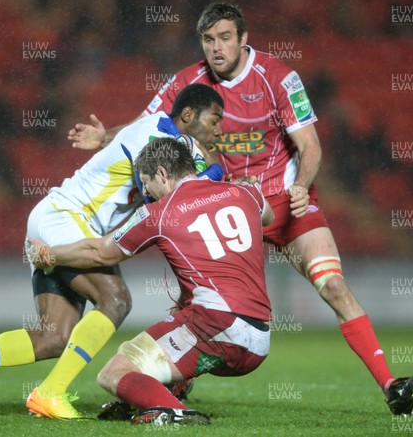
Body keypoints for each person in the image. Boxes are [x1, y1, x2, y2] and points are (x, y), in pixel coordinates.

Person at [68, 2, 413, 415]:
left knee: (332, 285)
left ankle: (391, 384)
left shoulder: (278, 78)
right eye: (208, 40)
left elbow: (310, 145)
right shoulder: (187, 81)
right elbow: (146, 124)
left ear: (243, 39)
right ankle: (171, 389)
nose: (216, 48)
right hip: (221, 202)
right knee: (196, 304)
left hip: (284, 201)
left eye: (225, 38)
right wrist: (105, 137)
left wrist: (301, 186)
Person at [0, 84, 224, 419]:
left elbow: (200, 180)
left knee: (54, 336)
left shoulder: (168, 139)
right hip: (67, 218)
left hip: (58, 220)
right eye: (214, 120)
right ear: (188, 114)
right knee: (116, 299)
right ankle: (50, 393)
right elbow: (157, 193)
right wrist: (214, 168)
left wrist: (213, 168)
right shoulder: (154, 135)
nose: (219, 129)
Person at [26, 137, 275, 426]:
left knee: (112, 373)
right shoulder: (244, 191)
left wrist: (50, 254)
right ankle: (166, 390)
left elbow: (99, 253)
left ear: (161, 173)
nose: (145, 192)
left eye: (145, 183)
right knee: (181, 310)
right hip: (258, 340)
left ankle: (171, 410)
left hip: (217, 327)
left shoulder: (158, 214)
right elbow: (267, 216)